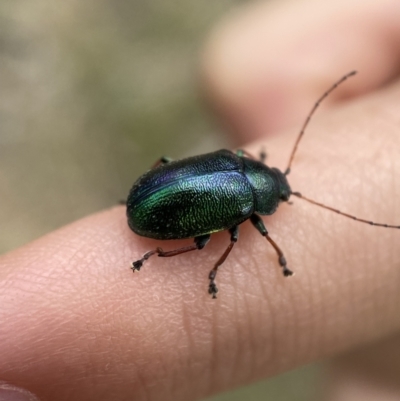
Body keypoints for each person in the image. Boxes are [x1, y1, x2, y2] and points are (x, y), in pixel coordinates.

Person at [1, 0, 400, 400]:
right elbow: (247, 235)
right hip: (153, 206)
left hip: (152, 188)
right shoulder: (246, 205)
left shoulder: (237, 160)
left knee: (199, 217)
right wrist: (270, 260)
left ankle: (156, 252)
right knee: (215, 243)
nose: (282, 193)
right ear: (263, 196)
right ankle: (159, 255)